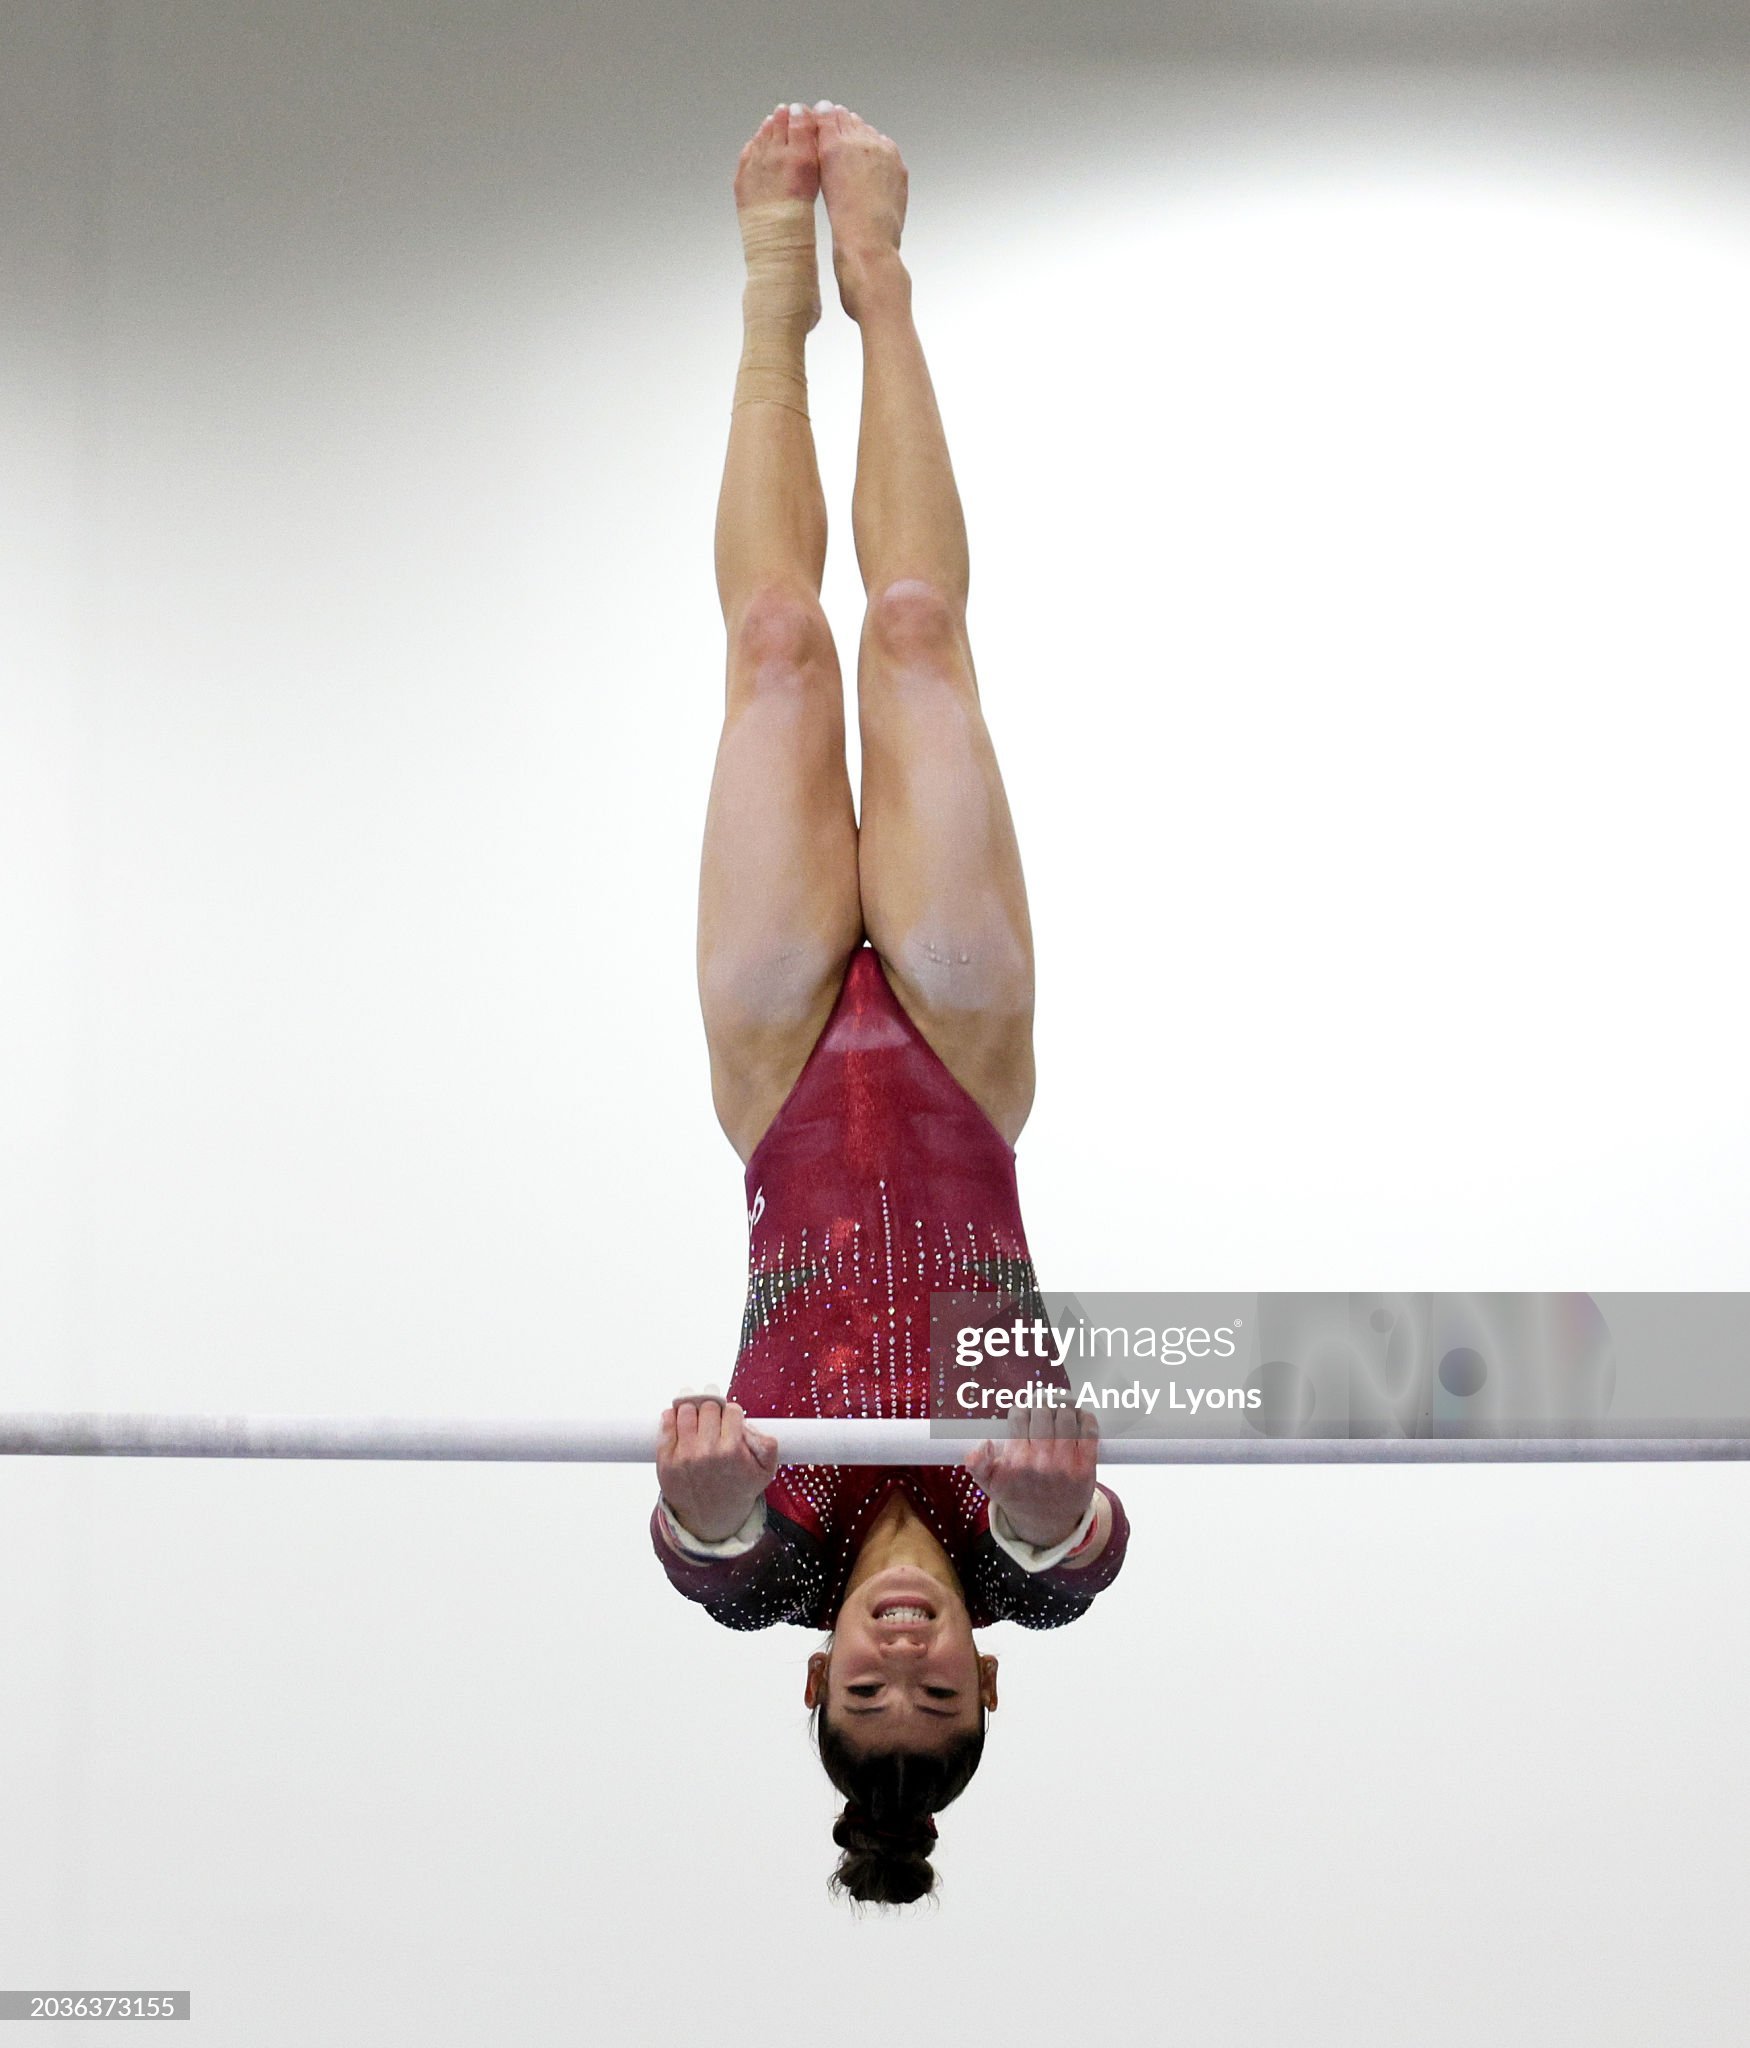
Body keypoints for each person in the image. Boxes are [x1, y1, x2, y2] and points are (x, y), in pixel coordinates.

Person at [651, 100, 1131, 1907]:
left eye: (868, 1688)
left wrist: (707, 1495)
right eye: (936, 1689)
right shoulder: (1023, 1565)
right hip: (957, 1072)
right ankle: (880, 278)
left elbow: (701, 1546)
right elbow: (1078, 1541)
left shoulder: (771, 1567)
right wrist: (1048, 1509)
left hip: (780, 1084)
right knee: (914, 632)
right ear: (986, 1677)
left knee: (778, 652)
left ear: (821, 1674)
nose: (904, 1654)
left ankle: (773, 296)